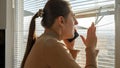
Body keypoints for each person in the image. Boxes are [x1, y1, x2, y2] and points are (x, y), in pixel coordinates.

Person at [21, 0, 99, 68]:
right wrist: (90, 48)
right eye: (73, 17)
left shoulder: (44, 41)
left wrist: (70, 48)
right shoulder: (50, 44)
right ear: (61, 21)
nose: (76, 22)